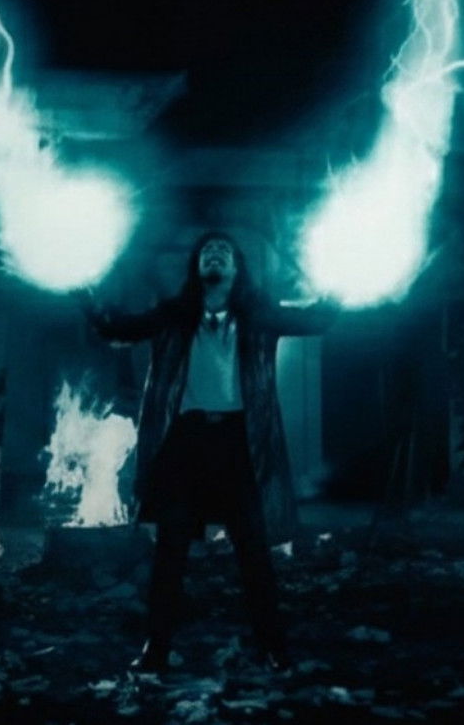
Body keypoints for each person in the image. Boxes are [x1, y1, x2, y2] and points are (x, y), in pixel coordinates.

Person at [76, 231, 337, 673]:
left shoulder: (259, 316)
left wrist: (339, 284)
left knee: (254, 553)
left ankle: (273, 649)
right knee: (170, 552)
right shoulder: (173, 316)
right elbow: (115, 328)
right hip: (187, 441)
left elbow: (318, 320)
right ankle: (156, 650)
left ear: (236, 268)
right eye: (207, 251)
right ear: (198, 266)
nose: (215, 254)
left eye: (224, 251)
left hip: (239, 442)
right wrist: (85, 292)